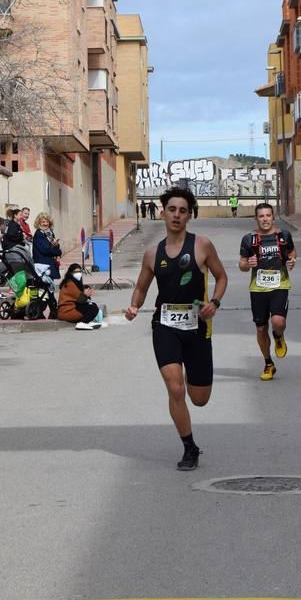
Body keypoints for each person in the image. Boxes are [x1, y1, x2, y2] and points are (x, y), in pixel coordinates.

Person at [125, 186, 227, 471]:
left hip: (197, 328)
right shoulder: (151, 253)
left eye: (183, 211)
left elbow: (221, 277)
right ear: (163, 212)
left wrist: (215, 302)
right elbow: (142, 288)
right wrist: (134, 306)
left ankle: (189, 374)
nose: (177, 215)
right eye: (172, 209)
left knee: (200, 398)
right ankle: (189, 447)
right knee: (175, 389)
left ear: (189, 215)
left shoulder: (202, 245)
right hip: (165, 326)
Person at [239, 202, 297, 381]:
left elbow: (293, 253)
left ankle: (278, 336)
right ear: (256, 219)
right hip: (258, 289)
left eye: (268, 215)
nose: (265, 219)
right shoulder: (249, 239)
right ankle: (268, 363)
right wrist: (247, 264)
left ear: (273, 217)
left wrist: (292, 261)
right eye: (261, 216)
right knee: (261, 328)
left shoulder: (284, 236)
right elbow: (242, 264)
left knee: (278, 321)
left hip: (280, 285)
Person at [58, 263, 103, 330]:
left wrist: (86, 296)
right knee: (93, 308)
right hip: (67, 311)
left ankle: (87, 321)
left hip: (72, 308)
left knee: (93, 305)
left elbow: (80, 300)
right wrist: (86, 295)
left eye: (80, 271)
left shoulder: (74, 282)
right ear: (70, 273)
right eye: (76, 272)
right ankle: (82, 323)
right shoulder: (70, 283)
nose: (78, 273)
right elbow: (80, 299)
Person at [32, 212, 62, 294]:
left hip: (50, 263)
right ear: (39, 223)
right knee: (45, 289)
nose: (45, 224)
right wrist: (58, 251)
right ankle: (47, 305)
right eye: (43, 222)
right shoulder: (39, 234)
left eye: (47, 222)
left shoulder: (50, 233)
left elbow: (53, 245)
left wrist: (57, 245)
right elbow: (45, 249)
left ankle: (51, 305)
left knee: (49, 288)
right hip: (43, 264)